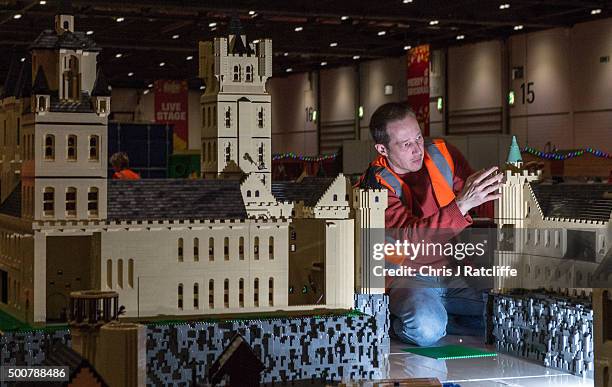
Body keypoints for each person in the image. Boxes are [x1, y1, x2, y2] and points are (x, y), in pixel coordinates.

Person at [358, 102, 502, 346]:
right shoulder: (373, 186)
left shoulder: (443, 155)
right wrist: (462, 205)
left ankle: (446, 320)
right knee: (426, 329)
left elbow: (479, 200)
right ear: (382, 149)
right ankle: (396, 322)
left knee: (504, 312)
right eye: (406, 144)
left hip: (455, 271)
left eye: (418, 138)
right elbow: (410, 240)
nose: (417, 149)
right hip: (407, 276)